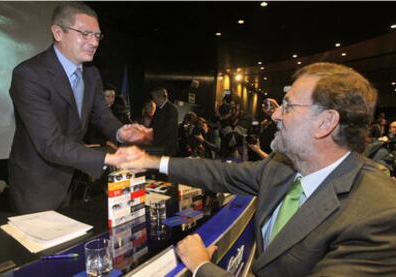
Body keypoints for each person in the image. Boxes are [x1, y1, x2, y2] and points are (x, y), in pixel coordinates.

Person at [116, 62, 396, 276]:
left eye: (287, 106)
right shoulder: (279, 167)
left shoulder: (379, 214)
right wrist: (150, 162)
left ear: (325, 123)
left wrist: (202, 266)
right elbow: (219, 173)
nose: (275, 114)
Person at [8, 2, 151, 214]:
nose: (94, 42)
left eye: (97, 35)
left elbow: (102, 116)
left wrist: (121, 131)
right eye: (85, 34)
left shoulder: (91, 74)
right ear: (58, 32)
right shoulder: (29, 75)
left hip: (73, 177)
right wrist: (111, 158)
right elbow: (51, 144)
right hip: (37, 183)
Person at [150, 87, 178, 156]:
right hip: (160, 145)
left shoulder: (172, 109)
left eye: (154, 98)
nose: (153, 100)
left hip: (167, 148)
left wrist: (153, 141)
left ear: (160, 97)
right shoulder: (159, 108)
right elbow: (153, 125)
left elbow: (167, 129)